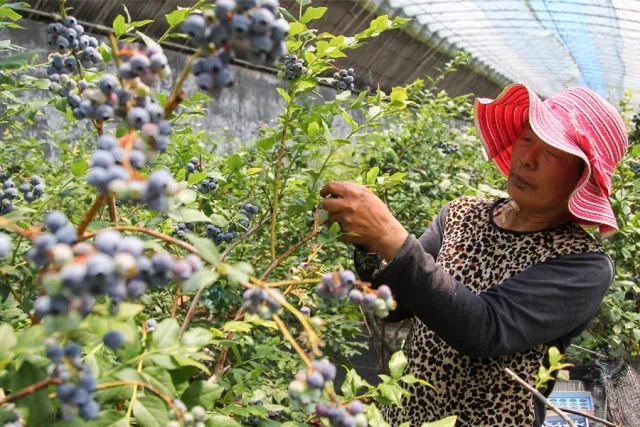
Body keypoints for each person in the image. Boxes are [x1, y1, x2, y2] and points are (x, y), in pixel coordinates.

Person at [319, 83, 629, 426]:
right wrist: (370, 244)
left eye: (553, 152)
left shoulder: (582, 264)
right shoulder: (462, 213)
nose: (527, 159)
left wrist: (391, 237)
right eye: (527, 138)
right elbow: (395, 306)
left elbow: (484, 328)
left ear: (581, 177)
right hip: (405, 414)